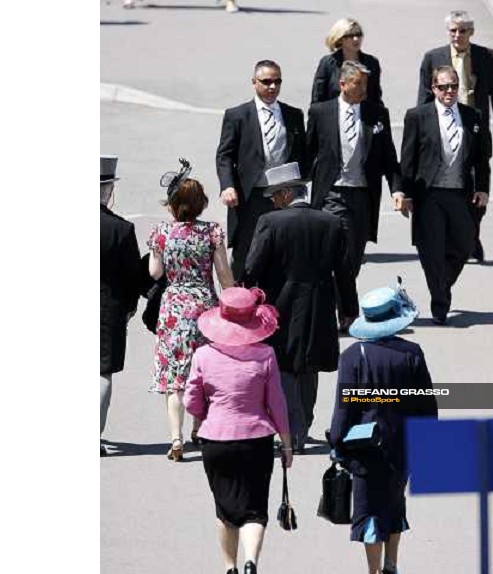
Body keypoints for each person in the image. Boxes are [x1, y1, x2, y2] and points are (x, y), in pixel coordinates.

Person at [183, 287, 293, 574]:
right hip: (256, 439)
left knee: (225, 509)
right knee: (255, 510)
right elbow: (277, 403)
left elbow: (192, 400)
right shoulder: (266, 355)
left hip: (216, 439)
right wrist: (286, 444)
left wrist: (204, 414)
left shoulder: (204, 355)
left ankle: (230, 566)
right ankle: (249, 563)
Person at [329, 286, 438, 574]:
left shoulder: (352, 356)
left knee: (367, 508)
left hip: (364, 447)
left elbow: (343, 409)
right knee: (394, 502)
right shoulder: (412, 354)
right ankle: (391, 565)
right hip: (402, 443)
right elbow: (426, 405)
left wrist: (337, 442)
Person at [243, 162, 358, 453]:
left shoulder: (271, 222)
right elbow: (344, 271)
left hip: (279, 307)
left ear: (284, 194)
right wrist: (348, 309)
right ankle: (302, 425)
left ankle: (292, 432)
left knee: (284, 366)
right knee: (310, 365)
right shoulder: (331, 222)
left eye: (273, 195)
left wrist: (246, 302)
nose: (271, 201)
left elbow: (252, 267)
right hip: (320, 305)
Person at [148, 158, 234, 461]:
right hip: (205, 307)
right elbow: (224, 275)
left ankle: (176, 438)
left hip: (173, 308)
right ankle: (200, 428)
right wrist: (235, 303)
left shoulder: (161, 232)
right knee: (204, 371)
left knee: (176, 378)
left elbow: (155, 272)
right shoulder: (212, 232)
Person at [307, 60, 402, 331]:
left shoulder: (376, 113)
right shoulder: (320, 112)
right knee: (342, 254)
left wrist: (397, 189)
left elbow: (388, 157)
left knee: (353, 257)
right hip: (332, 195)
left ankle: (339, 305)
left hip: (363, 196)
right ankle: (347, 312)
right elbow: (307, 153)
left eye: (365, 84)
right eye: (358, 83)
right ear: (343, 84)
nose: (363, 89)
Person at [397, 66, 490, 325]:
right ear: (433, 89)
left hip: (460, 193)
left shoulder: (472, 115)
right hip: (429, 195)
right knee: (432, 251)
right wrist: (403, 192)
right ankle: (440, 303)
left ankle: (441, 285)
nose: (449, 91)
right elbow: (408, 159)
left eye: (453, 86)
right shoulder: (418, 116)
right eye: (443, 87)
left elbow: (482, 158)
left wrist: (482, 187)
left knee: (465, 243)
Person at [416, 10, 493, 262]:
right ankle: (459, 236)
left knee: (478, 189)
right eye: (453, 30)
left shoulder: (485, 57)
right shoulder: (433, 58)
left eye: (462, 30)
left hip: (476, 133)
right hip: (444, 132)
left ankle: (471, 234)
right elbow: (423, 101)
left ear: (471, 32)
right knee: (451, 189)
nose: (457, 35)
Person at [216, 59, 307, 281]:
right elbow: (224, 155)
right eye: (266, 82)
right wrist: (227, 186)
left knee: (282, 250)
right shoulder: (237, 115)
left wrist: (298, 187)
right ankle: (236, 303)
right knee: (244, 253)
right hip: (251, 196)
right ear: (254, 82)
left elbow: (302, 155)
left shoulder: (293, 115)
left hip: (283, 195)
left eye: (277, 82)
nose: (272, 87)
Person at [100, 155, 141, 457]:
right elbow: (132, 277)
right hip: (107, 309)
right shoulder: (121, 229)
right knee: (102, 372)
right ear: (107, 190)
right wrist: (129, 307)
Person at [311, 17, 383, 105]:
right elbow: (317, 98)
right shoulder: (327, 63)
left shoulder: (371, 63)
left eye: (359, 35)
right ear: (340, 39)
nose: (356, 39)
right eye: (350, 36)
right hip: (334, 115)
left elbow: (376, 97)